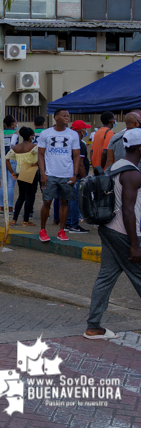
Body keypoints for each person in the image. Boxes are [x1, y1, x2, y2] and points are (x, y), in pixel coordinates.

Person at [84, 128, 141, 340]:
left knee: (106, 278)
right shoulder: (132, 173)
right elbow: (128, 210)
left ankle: (93, 326)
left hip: (108, 228)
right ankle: (93, 325)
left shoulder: (116, 165)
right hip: (124, 232)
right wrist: (134, 244)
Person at [37, 109, 81, 243]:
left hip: (66, 174)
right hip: (50, 174)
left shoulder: (73, 134)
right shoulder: (46, 133)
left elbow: (76, 155)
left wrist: (75, 175)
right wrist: (43, 173)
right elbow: (40, 154)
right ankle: (43, 230)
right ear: (56, 117)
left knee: (64, 201)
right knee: (47, 202)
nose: (67, 118)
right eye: (64, 116)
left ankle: (61, 231)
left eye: (68, 116)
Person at [56, 120, 91, 234]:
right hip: (76, 176)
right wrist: (85, 178)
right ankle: (74, 225)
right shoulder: (79, 143)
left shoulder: (69, 141)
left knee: (68, 200)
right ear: (81, 131)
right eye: (85, 128)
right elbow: (80, 164)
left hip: (67, 174)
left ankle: (68, 223)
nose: (86, 130)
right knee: (75, 200)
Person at [5, 127, 40, 227]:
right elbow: (42, 158)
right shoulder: (34, 147)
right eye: (33, 135)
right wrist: (36, 163)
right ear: (30, 136)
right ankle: (25, 220)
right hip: (31, 173)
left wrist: (12, 172)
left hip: (20, 173)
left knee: (21, 196)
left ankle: (14, 219)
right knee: (30, 196)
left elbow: (6, 159)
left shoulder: (16, 148)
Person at [0, 115, 19, 215]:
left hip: (1, 160)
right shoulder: (15, 134)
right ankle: (11, 208)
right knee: (11, 185)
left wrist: (1, 155)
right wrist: (12, 153)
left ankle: (3, 208)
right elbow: (13, 144)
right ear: (12, 124)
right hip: (12, 160)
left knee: (3, 184)